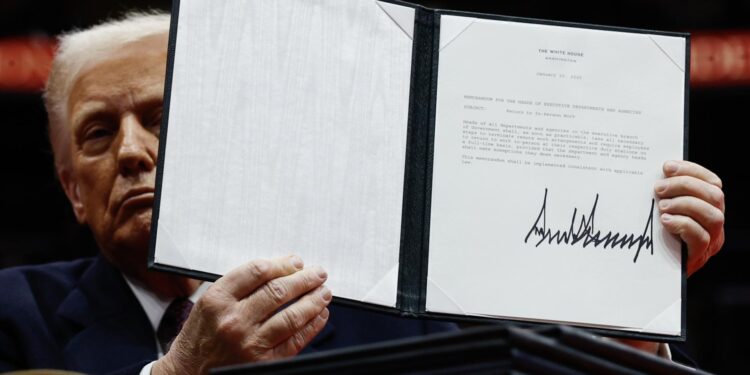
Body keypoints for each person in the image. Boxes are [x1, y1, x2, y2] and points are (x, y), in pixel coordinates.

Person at [0, 12, 725, 375]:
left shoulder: (394, 311)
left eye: (161, 118)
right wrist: (179, 373)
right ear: (71, 189)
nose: (132, 150)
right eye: (98, 133)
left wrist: (625, 312)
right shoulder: (12, 316)